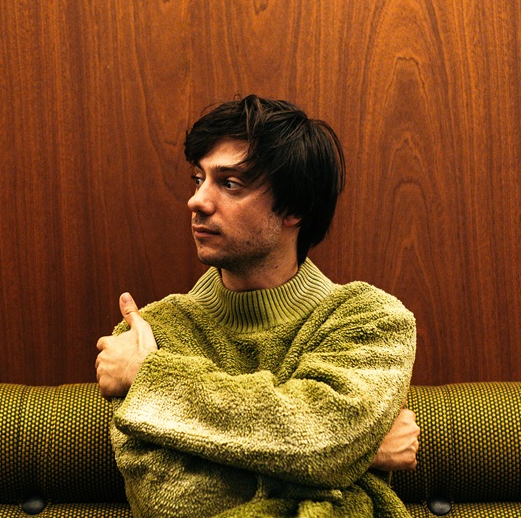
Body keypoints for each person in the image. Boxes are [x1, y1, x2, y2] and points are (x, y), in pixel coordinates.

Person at [96, 95, 419, 518]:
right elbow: (176, 504)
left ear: (295, 207)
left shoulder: (370, 320)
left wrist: (151, 381)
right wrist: (354, 458)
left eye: (230, 183)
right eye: (199, 179)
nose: (197, 201)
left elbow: (326, 440)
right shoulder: (147, 333)